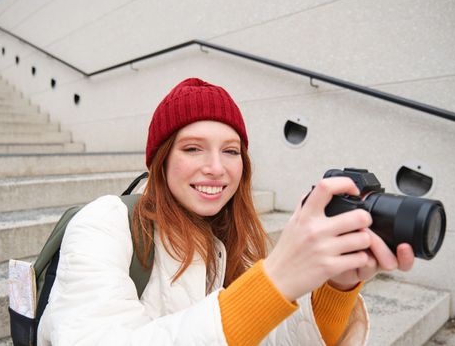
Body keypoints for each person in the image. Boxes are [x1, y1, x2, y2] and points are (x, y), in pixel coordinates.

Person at [37, 78, 414, 345]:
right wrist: (276, 279)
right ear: (161, 161)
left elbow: (264, 336)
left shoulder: (234, 242)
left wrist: (336, 288)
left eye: (231, 151)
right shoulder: (104, 222)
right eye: (193, 148)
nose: (216, 167)